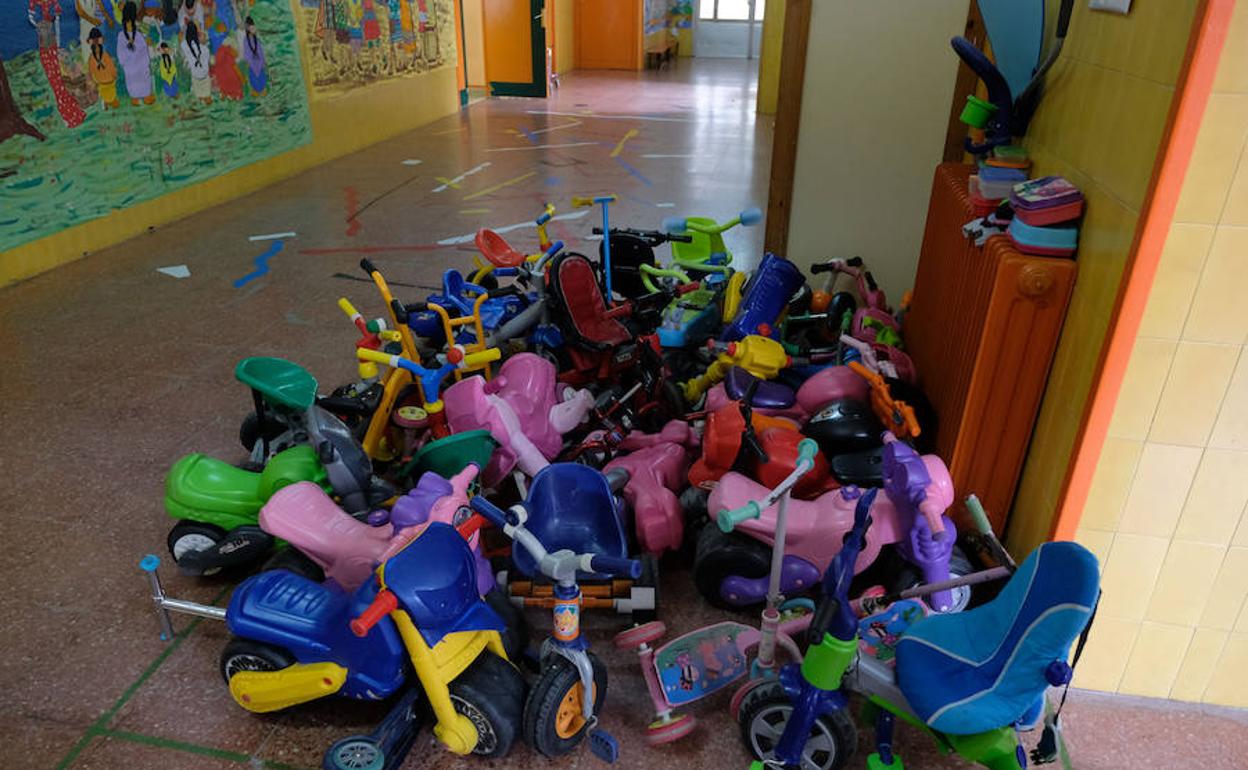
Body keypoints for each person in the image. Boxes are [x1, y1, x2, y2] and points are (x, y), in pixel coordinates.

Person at [28, 0, 88, 126]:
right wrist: (39, 25)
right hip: (45, 51)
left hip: (53, 48)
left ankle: (72, 115)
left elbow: (57, 22)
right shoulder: (35, 3)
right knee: (57, 86)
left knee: (60, 85)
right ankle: (69, 115)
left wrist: (58, 46)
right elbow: (31, 17)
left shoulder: (52, 3)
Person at [117, 2, 155, 106]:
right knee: (133, 79)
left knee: (143, 77)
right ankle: (136, 98)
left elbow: (142, 48)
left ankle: (145, 96)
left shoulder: (137, 33)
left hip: (139, 64)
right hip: (131, 65)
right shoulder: (122, 36)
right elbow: (122, 53)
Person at [86, 26, 120, 109]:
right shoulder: (91, 58)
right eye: (95, 46)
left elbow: (111, 66)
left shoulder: (105, 55)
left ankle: (112, 100)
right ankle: (105, 102)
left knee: (112, 94)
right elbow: (91, 70)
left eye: (98, 46)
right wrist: (91, 79)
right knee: (104, 94)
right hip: (101, 83)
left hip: (110, 80)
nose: (97, 48)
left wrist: (114, 74)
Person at [180, 20, 211, 103]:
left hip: (195, 76)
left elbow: (183, 42)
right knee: (207, 99)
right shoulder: (205, 49)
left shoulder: (184, 46)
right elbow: (208, 63)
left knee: (199, 99)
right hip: (204, 76)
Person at [238, 16, 267, 95]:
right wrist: (250, 61)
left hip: (259, 61)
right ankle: (255, 89)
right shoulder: (245, 40)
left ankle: (263, 87)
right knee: (253, 76)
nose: (254, 29)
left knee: (261, 75)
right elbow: (247, 53)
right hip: (252, 62)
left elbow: (260, 50)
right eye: (252, 27)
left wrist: (263, 60)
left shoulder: (256, 39)